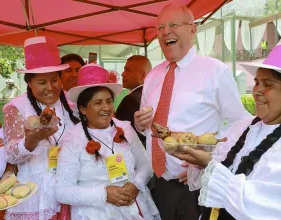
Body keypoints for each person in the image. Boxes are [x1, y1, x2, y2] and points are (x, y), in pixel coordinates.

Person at [134, 4, 251, 220]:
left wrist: (209, 161)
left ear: (193, 30)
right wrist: (141, 126)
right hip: (157, 185)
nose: (166, 32)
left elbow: (242, 126)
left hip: (194, 187)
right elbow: (148, 129)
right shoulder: (152, 76)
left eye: (173, 25)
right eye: (160, 27)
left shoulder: (214, 70)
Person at [172, 42, 281, 220]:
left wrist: (210, 166)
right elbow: (225, 169)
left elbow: (260, 204)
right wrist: (201, 165)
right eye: (256, 82)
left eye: (268, 84)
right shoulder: (242, 127)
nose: (257, 91)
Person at [55, 64, 160, 220]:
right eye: (98, 103)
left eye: (109, 101)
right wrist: (104, 194)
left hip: (134, 209)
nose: (106, 108)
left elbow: (146, 164)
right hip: (95, 213)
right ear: (83, 109)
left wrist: (136, 185)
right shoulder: (73, 139)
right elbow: (62, 191)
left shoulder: (125, 128)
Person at [2, 36, 79, 220]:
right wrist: (31, 141)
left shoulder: (73, 102)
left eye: (54, 80)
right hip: (38, 194)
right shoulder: (17, 107)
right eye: (42, 82)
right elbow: (11, 155)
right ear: (29, 82)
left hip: (73, 189)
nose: (50, 88)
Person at [116, 55, 152, 146]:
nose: (123, 74)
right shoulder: (151, 96)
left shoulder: (130, 100)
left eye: (127, 70)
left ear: (142, 76)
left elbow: (119, 132)